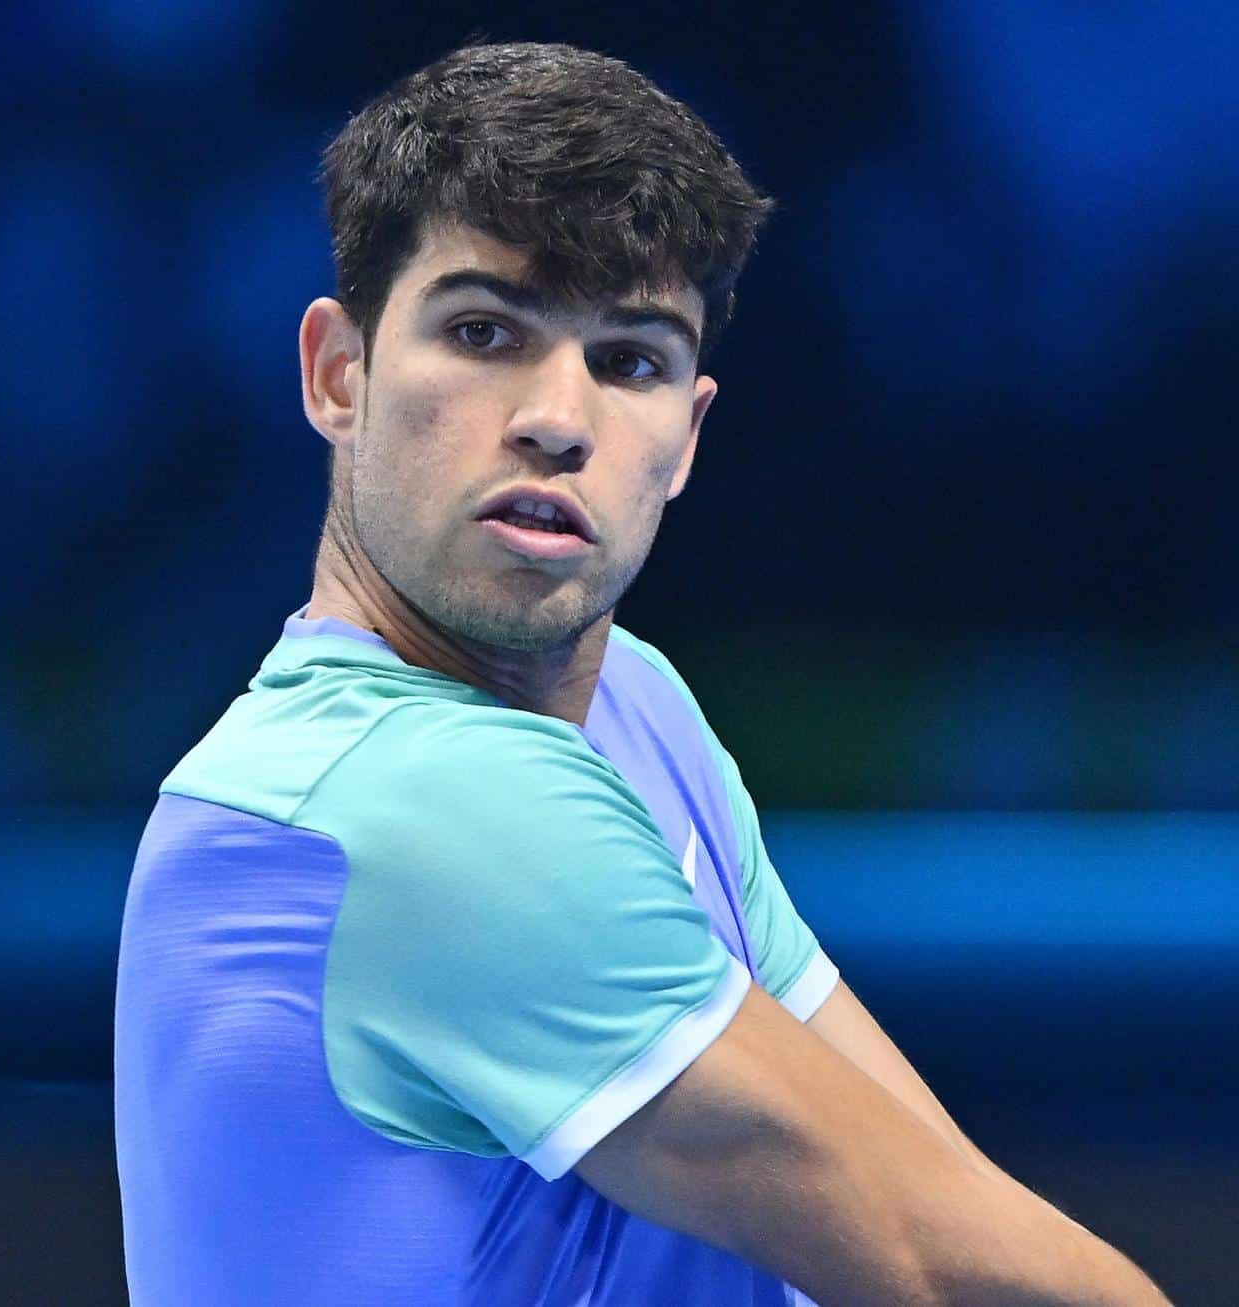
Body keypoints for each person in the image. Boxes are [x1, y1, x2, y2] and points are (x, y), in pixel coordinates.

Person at [112, 40, 1169, 1306]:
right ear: (339, 373)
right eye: (484, 329)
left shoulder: (635, 702)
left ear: (687, 438)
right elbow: (941, 1265)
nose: (560, 417)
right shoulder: (414, 801)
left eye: (630, 359)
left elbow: (925, 1178)